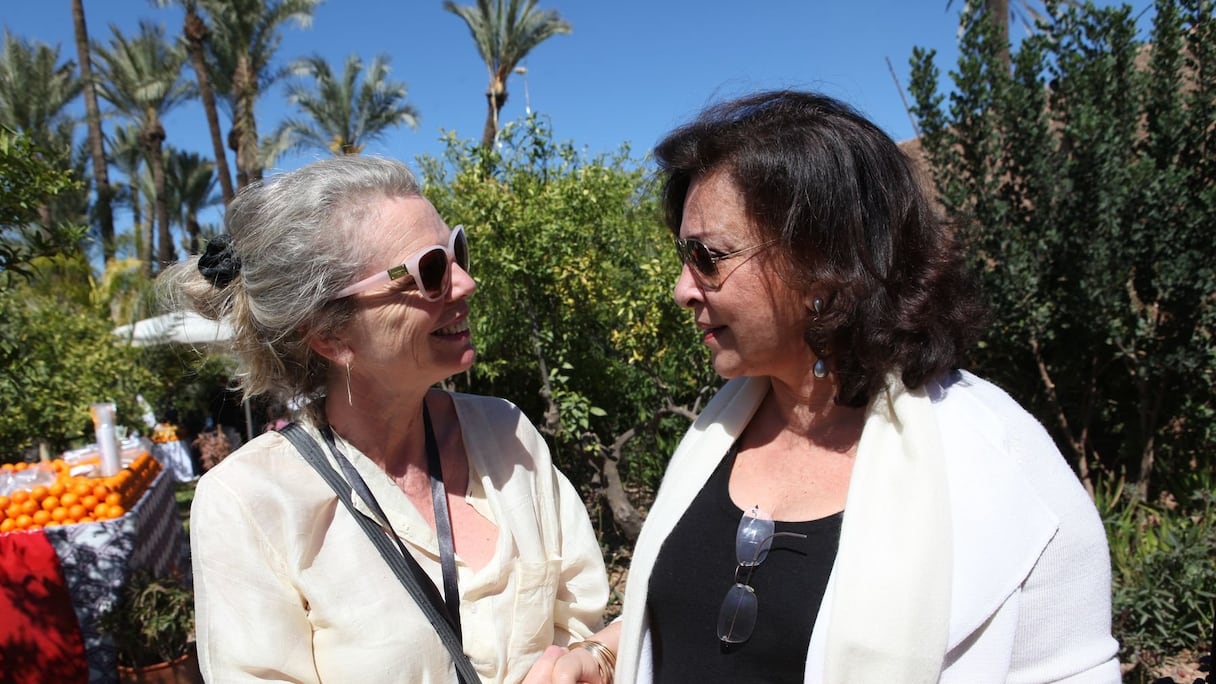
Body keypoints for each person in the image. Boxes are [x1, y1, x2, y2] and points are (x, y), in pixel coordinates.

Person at [551, 90, 1119, 683]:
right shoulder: (717, 431)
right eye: (683, 254)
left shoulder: (1003, 474)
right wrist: (605, 656)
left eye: (709, 257)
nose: (682, 288)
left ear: (823, 262)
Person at [161, 156, 608, 683]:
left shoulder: (507, 436)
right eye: (431, 271)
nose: (466, 283)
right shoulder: (248, 503)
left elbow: (583, 623)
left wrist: (586, 662)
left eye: (456, 251)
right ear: (328, 333)